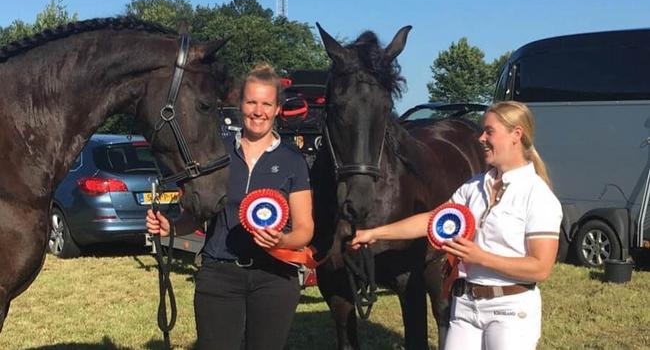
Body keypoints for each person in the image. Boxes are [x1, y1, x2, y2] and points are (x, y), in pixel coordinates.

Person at [350, 101, 562, 350]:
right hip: (465, 307)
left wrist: (480, 257)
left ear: (516, 134)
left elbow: (540, 268)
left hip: (510, 311)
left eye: (489, 131)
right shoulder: (474, 186)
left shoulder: (538, 196)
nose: (480, 137)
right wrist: (375, 233)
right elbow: (432, 219)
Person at [146, 63, 314, 350]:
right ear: (240, 104)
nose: (258, 111)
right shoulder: (216, 152)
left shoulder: (292, 160)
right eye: (251, 102)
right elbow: (197, 215)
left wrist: (283, 239)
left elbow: (305, 229)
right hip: (219, 273)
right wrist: (171, 226)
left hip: (274, 276)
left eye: (266, 104)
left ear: (276, 109)